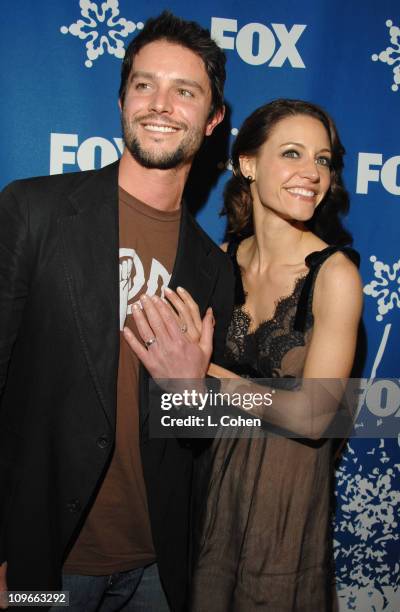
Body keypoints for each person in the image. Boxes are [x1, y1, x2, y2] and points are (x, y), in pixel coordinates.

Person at [0, 11, 235, 612]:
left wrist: (192, 392)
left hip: (157, 566)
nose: (161, 103)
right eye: (144, 84)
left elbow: (200, 438)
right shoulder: (34, 211)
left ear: (212, 120)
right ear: (122, 101)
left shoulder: (214, 268)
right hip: (45, 560)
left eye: (185, 91)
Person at [124, 99, 363, 611]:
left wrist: (208, 373)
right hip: (208, 496)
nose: (312, 174)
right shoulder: (218, 262)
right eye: (293, 153)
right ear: (247, 164)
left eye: (323, 160)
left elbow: (316, 415)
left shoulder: (335, 274)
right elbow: (179, 403)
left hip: (283, 510)